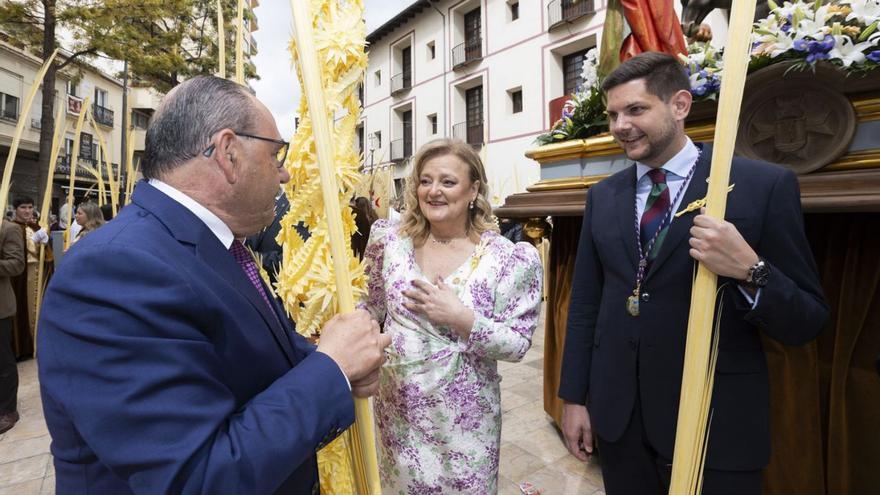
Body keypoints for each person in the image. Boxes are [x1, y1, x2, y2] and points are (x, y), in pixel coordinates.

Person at [38, 75, 391, 494]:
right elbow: (197, 478)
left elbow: (254, 358)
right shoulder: (113, 270)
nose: (285, 173)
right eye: (276, 154)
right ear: (228, 152)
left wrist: (339, 367)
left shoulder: (212, 246)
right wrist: (331, 368)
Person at [558, 52, 828, 494]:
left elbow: (808, 320)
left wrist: (751, 270)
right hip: (620, 419)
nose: (619, 126)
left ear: (680, 105)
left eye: (636, 110)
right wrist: (573, 398)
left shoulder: (762, 186)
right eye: (612, 114)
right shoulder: (602, 197)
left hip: (716, 419)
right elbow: (586, 303)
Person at [362, 138, 543, 493]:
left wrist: (461, 318)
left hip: (464, 424)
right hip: (398, 415)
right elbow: (370, 304)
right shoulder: (389, 242)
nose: (433, 191)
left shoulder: (506, 258)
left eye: (447, 181)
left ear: (473, 188)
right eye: (425, 180)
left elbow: (518, 344)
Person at [9, 197, 53, 360]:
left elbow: (47, 256)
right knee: (21, 310)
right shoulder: (11, 227)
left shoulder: (35, 227)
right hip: (20, 276)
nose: (27, 211)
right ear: (15, 209)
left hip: (37, 275)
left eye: (30, 207)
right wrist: (34, 242)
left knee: (37, 310)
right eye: (23, 207)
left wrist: (46, 244)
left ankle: (36, 344)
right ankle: (22, 347)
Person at [0, 218, 25, 434]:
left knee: (3, 362)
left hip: (0, 307)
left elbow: (17, 264)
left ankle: (8, 410)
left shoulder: (7, 228)